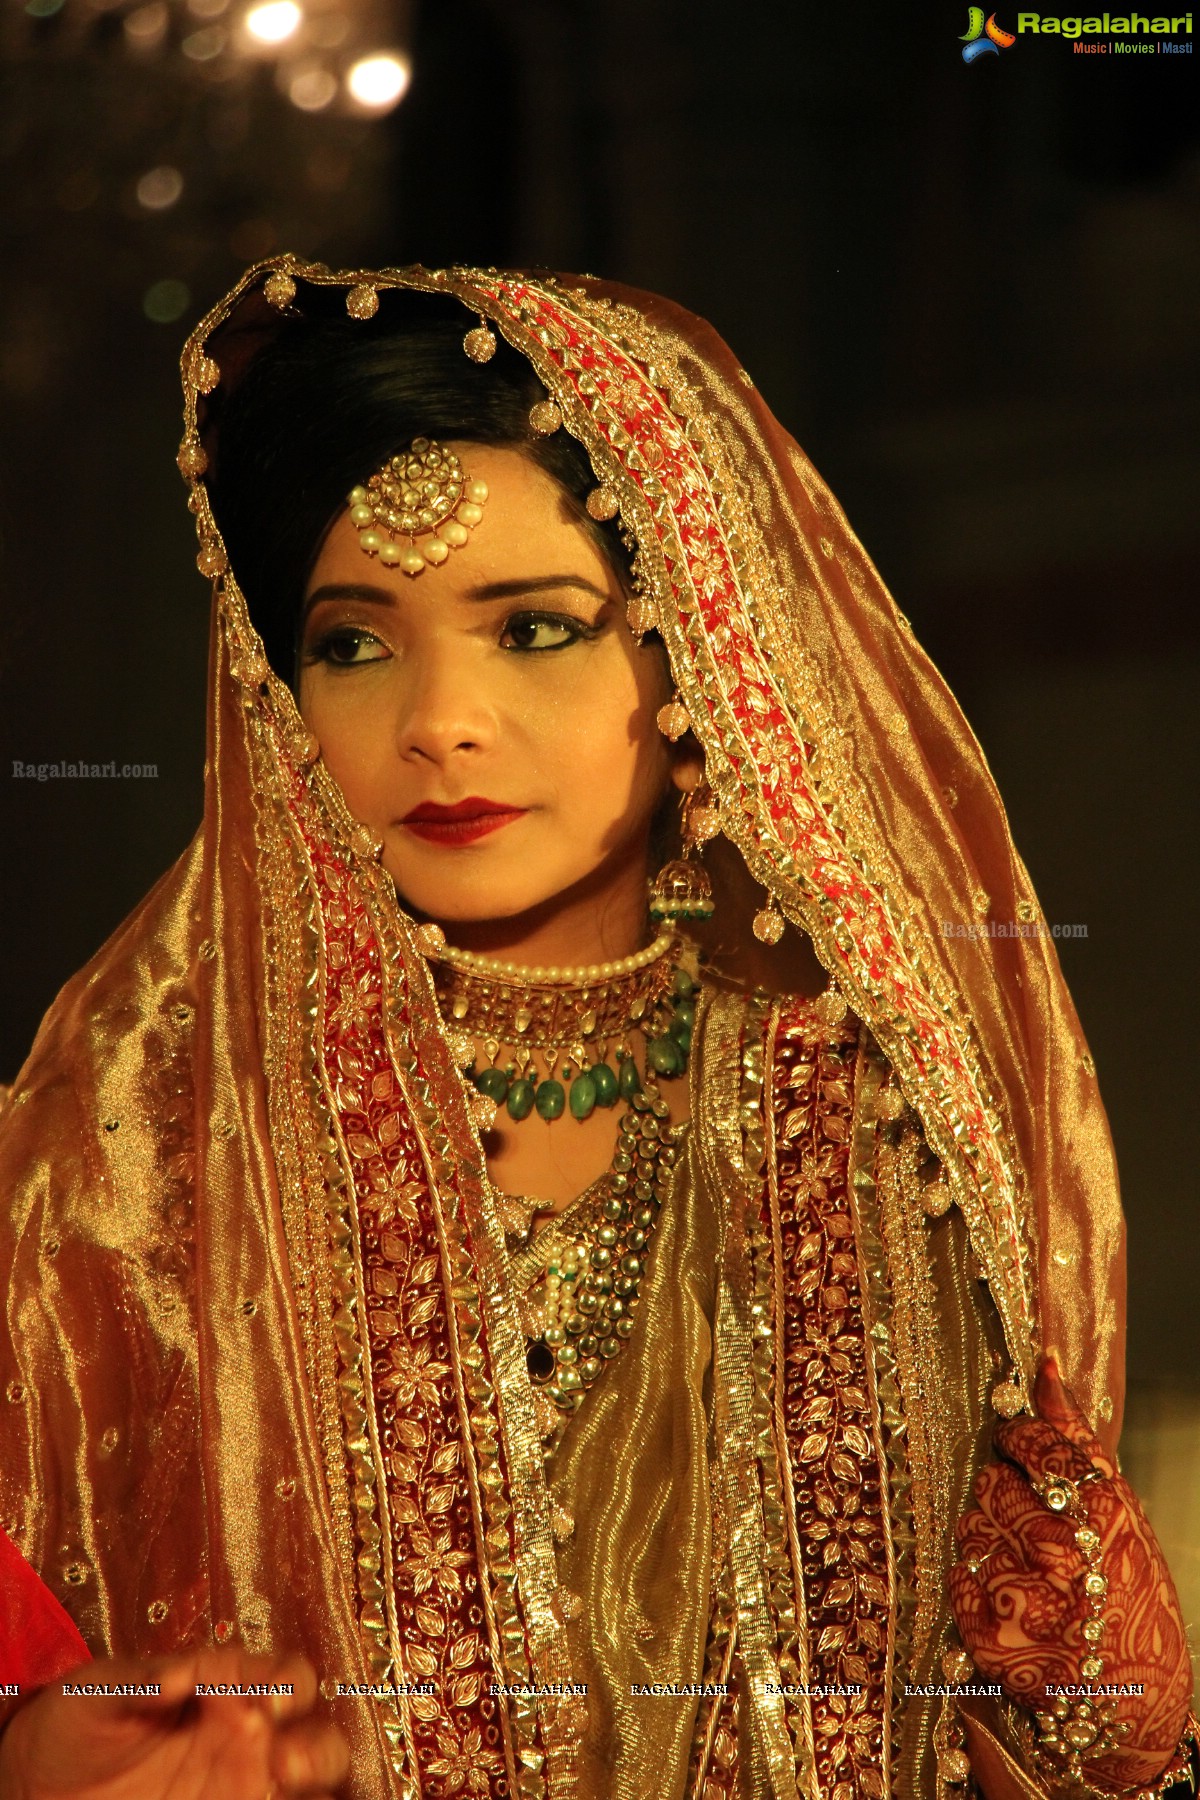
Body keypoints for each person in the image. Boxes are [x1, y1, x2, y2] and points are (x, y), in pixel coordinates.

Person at [0, 259, 1192, 1800]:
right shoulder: (118, 1147)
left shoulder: (905, 1127)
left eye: (536, 628)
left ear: (695, 650)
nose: (440, 718)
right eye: (353, 643)